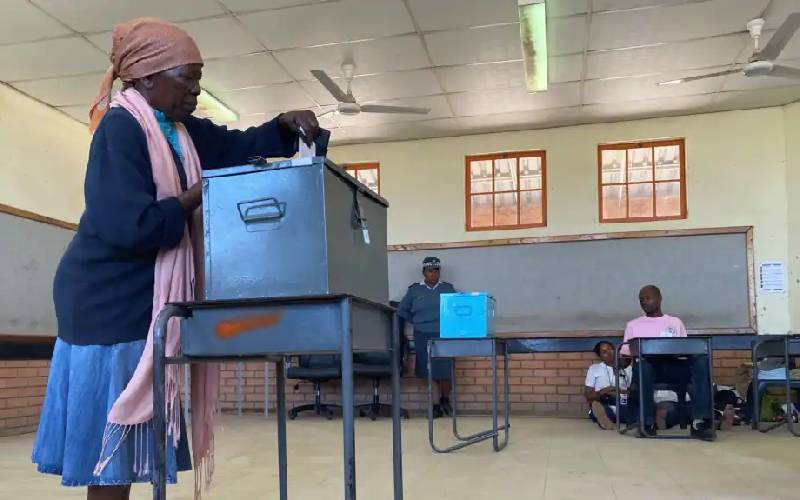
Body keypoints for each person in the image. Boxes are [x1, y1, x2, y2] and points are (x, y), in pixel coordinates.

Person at [31, 17, 321, 500]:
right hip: (106, 300)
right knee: (114, 447)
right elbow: (130, 226)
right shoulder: (120, 129)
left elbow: (234, 147)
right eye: (186, 78)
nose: (196, 90)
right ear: (146, 77)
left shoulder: (178, 130)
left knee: (130, 443)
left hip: (141, 296)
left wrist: (281, 126)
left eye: (199, 79)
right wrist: (195, 195)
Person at [623, 285, 714, 440]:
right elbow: (625, 354)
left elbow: (686, 349)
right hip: (649, 368)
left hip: (674, 365)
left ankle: (700, 421)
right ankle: (647, 423)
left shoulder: (675, 322)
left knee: (701, 360)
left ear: (659, 299)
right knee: (642, 364)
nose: (644, 302)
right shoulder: (633, 325)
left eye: (648, 298)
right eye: (641, 300)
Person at [397, 257, 457, 418]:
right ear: (424, 272)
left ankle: (445, 399)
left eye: (436, 270)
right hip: (423, 334)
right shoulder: (414, 290)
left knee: (445, 370)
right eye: (430, 270)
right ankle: (435, 405)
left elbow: (458, 309)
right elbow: (402, 310)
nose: (434, 273)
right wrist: (416, 321)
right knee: (430, 370)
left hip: (445, 334)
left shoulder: (448, 289)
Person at [585, 341, 632, 429]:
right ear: (600, 356)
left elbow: (633, 391)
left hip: (623, 402)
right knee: (601, 408)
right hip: (604, 402)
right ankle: (604, 418)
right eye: (604, 352)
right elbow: (588, 396)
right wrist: (605, 390)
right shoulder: (594, 369)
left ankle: (616, 417)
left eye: (611, 349)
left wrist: (616, 390)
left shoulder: (627, 368)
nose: (609, 353)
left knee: (634, 412)